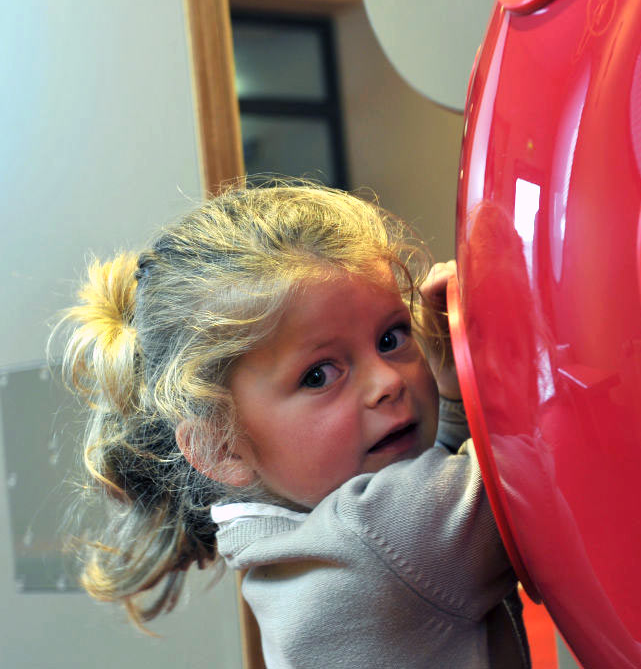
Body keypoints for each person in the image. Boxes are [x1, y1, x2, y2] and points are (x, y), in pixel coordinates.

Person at [53, 183, 529, 668]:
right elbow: (536, 477)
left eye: (391, 338)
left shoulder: (296, 550)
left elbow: (435, 492)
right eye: (319, 375)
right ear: (222, 447)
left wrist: (450, 399)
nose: (387, 381)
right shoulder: (374, 541)